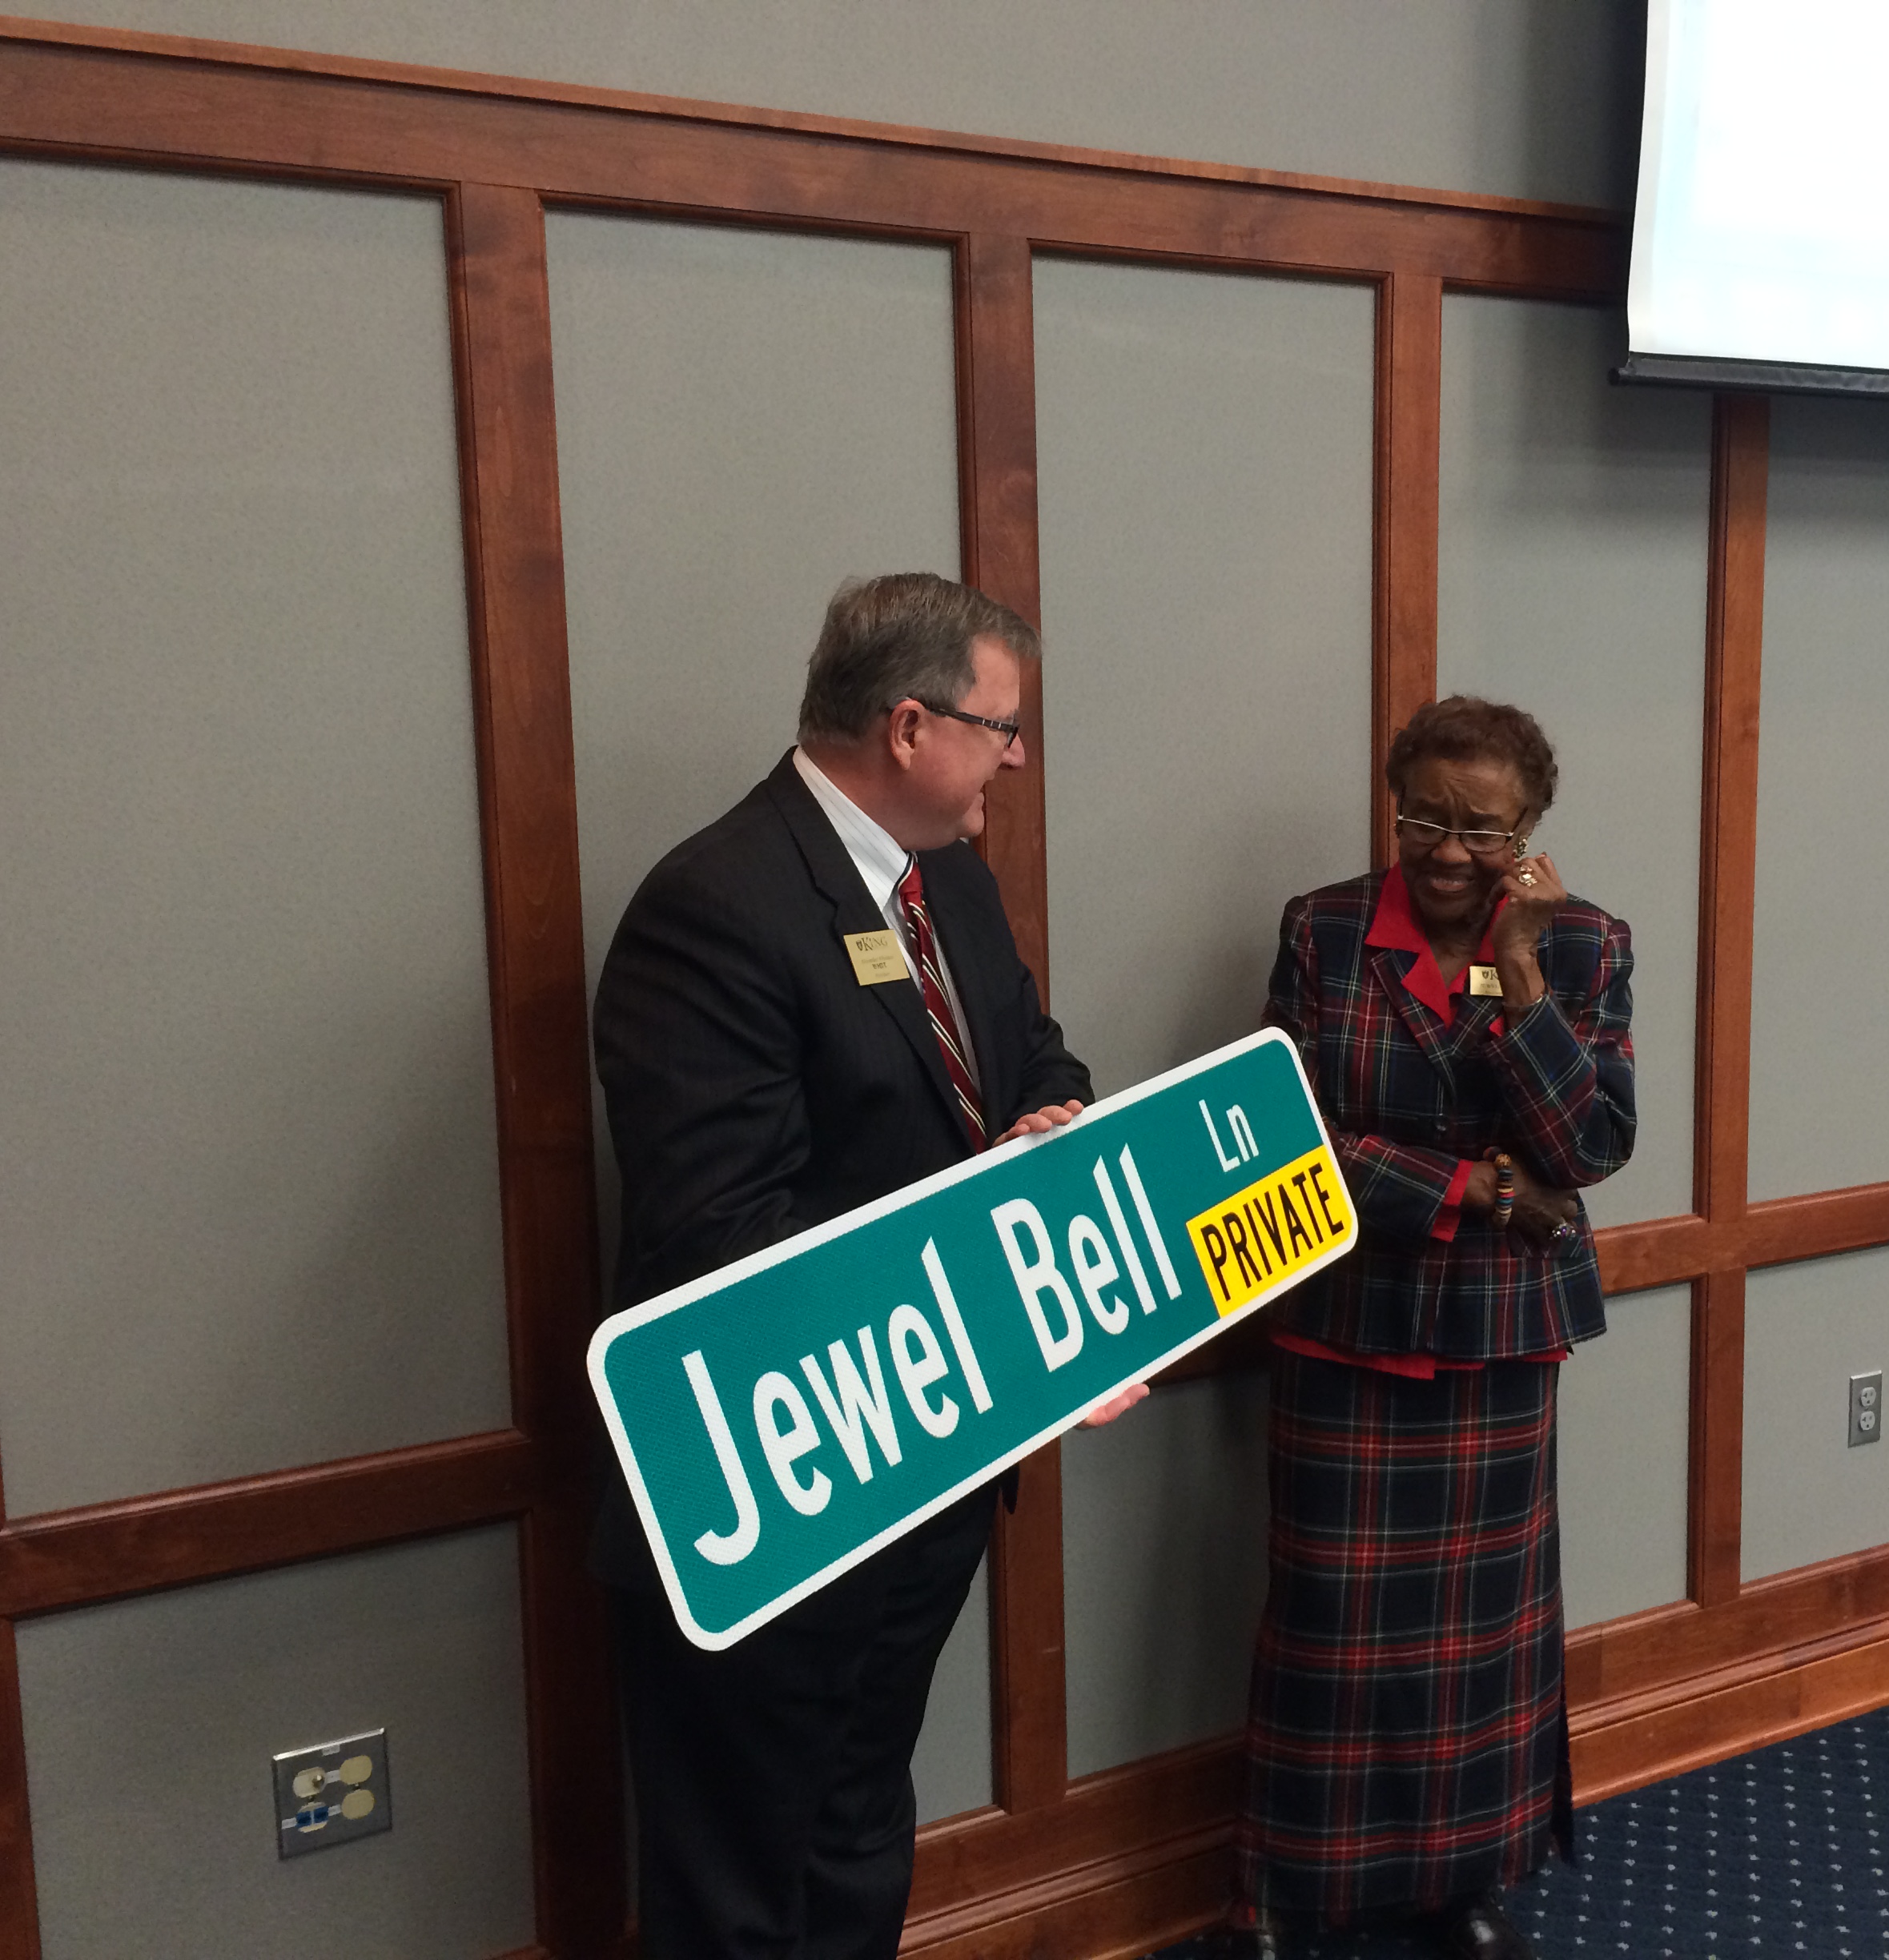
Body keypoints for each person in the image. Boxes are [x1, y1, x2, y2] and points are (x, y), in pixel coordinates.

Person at [590, 572, 1144, 1960]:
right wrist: (982, 1285)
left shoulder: (945, 879)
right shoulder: (714, 905)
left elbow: (1035, 1053)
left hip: (930, 1468)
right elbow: (720, 1232)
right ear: (909, 726)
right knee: (737, 1877)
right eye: (1000, 728)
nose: (1016, 760)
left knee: (853, 1827)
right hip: (773, 1489)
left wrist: (1054, 1130)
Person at [1232, 695, 1636, 1960]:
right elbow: (1278, 1129)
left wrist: (1520, 979)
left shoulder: (1583, 947)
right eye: (1425, 817)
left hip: (1496, 1344)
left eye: (1483, 827)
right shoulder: (1325, 928)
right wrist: (1472, 1187)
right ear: (1394, 803)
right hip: (1343, 1327)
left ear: (1529, 834)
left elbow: (1592, 1146)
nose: (1450, 850)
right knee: (1327, 1640)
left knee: (1483, 1650)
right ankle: (1281, 1892)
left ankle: (1466, 1876)